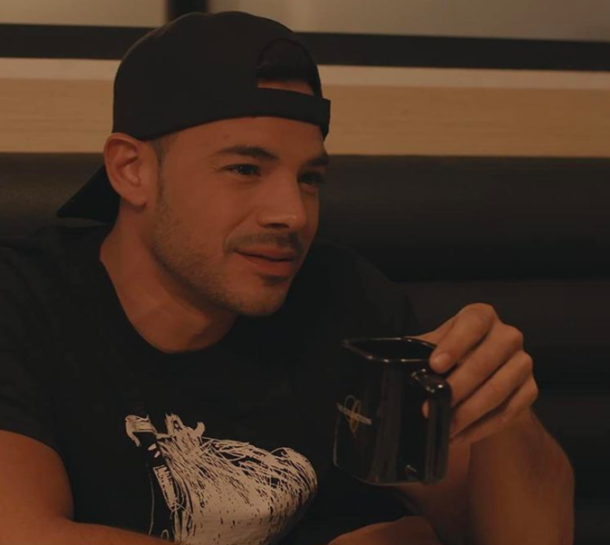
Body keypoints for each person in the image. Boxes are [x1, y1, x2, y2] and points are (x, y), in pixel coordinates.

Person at [0, 11, 574, 545]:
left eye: (309, 178)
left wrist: (502, 409)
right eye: (245, 168)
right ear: (132, 171)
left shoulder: (342, 296)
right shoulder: (24, 299)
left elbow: (514, 535)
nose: (293, 215)